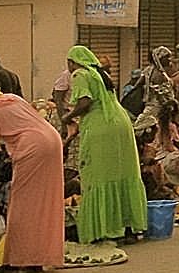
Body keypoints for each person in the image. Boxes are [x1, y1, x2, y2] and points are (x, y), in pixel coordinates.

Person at [0, 78, 63, 271]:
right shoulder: (12, 98)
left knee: (22, 204)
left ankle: (23, 258)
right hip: (52, 141)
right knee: (46, 201)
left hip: (32, 147)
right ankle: (42, 255)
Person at [61, 46, 147, 244]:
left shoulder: (80, 74)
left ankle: (104, 230)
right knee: (123, 174)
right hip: (121, 125)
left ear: (74, 62)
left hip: (101, 129)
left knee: (98, 177)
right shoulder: (100, 74)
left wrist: (68, 116)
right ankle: (128, 230)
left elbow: (85, 102)